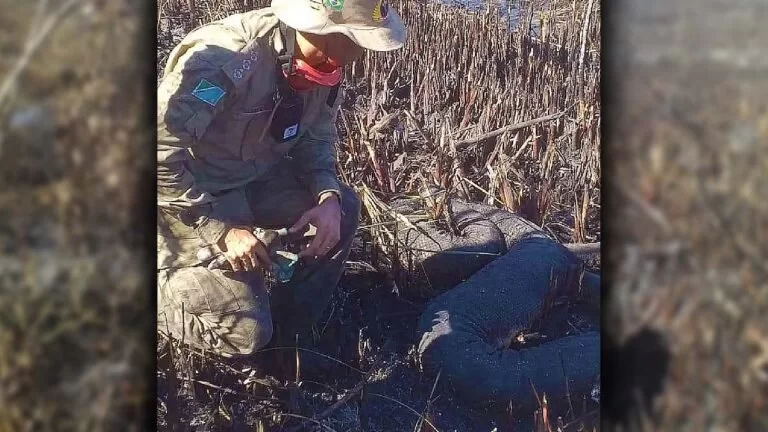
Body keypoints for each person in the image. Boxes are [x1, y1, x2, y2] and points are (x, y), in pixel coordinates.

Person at [156, 0, 406, 359]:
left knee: (344, 209)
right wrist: (221, 231)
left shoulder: (328, 62)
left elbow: (317, 136)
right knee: (245, 334)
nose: (362, 53)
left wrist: (327, 196)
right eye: (359, 41)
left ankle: (290, 340)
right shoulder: (225, 63)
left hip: (257, 177)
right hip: (193, 192)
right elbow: (158, 154)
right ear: (325, 31)